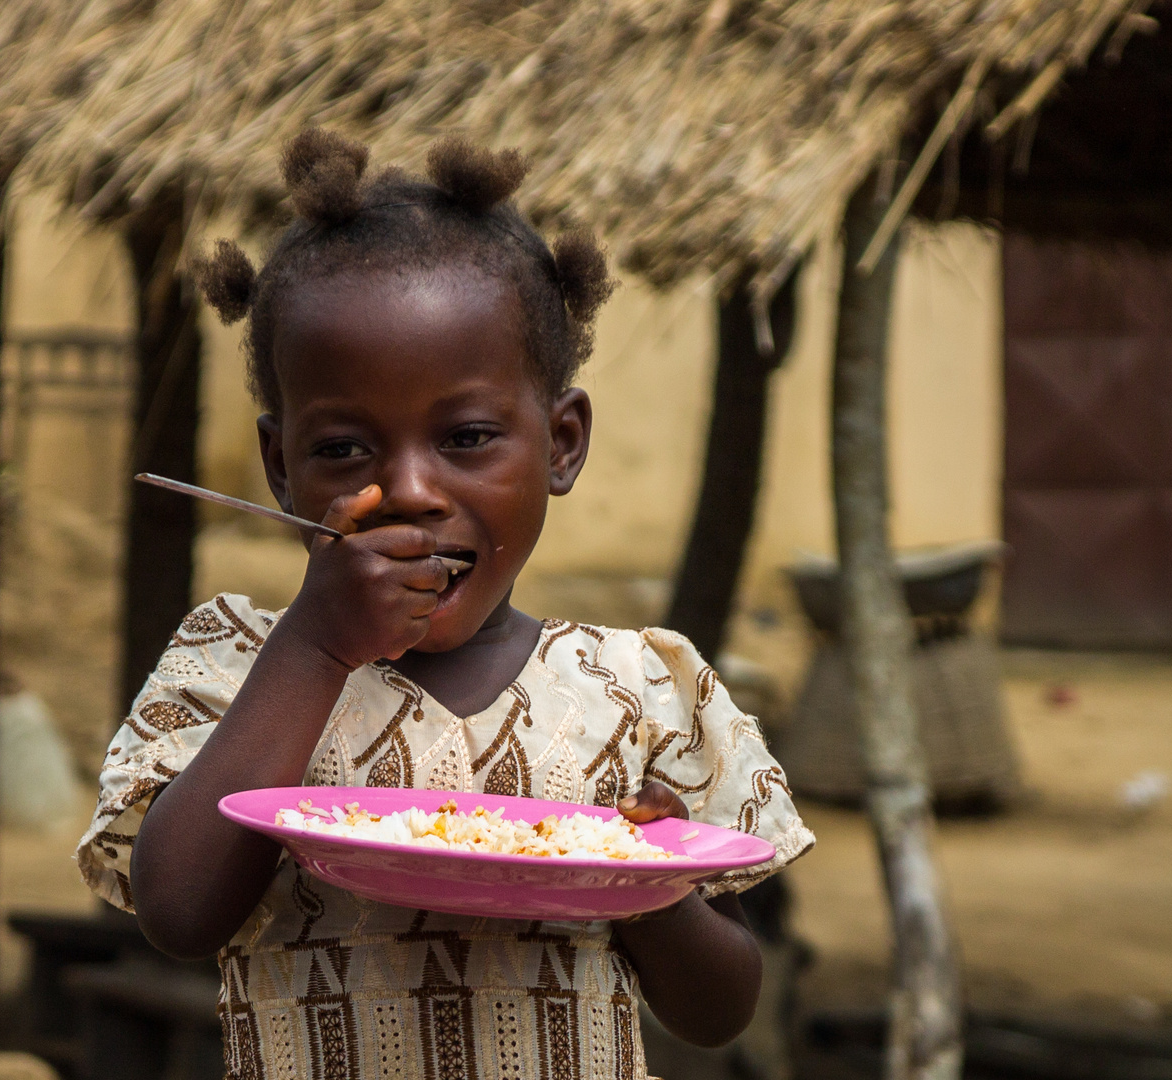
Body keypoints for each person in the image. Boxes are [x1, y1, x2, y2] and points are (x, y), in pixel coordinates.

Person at [76, 129, 815, 1080]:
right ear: (278, 467)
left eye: (466, 437)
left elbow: (720, 1010)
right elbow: (176, 914)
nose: (413, 490)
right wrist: (311, 650)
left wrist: (649, 885)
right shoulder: (232, 664)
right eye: (344, 450)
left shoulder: (636, 690)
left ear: (561, 443)